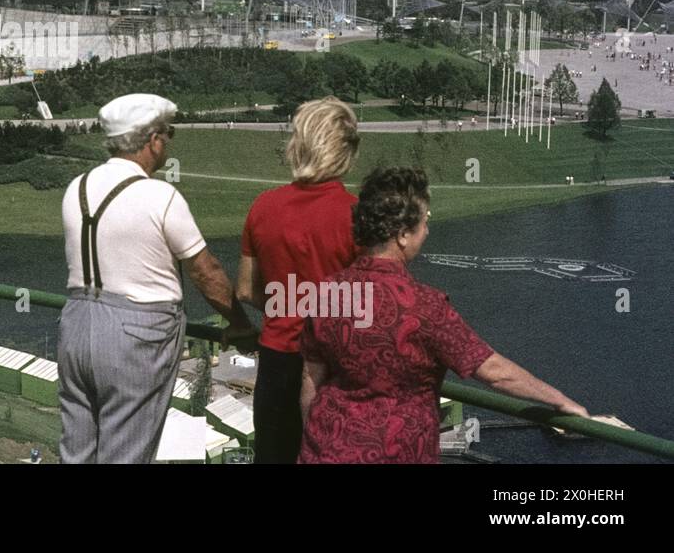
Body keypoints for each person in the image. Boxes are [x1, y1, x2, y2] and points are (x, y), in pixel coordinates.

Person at [299, 166, 588, 464]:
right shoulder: (426, 306)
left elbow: (310, 379)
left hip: (324, 452)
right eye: (425, 221)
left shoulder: (325, 292)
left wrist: (315, 439)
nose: (427, 230)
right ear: (401, 235)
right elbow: (495, 373)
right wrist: (561, 400)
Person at [58, 93, 247, 464]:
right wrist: (240, 323)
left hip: (76, 325)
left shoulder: (76, 188)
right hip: (137, 335)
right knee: (125, 453)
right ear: (152, 140)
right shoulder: (160, 196)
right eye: (167, 135)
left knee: (77, 452)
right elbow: (206, 272)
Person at [234, 96, 360, 464]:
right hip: (336, 365)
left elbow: (244, 289)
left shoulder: (264, 206)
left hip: (277, 360)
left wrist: (289, 304)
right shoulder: (357, 214)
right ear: (345, 150)